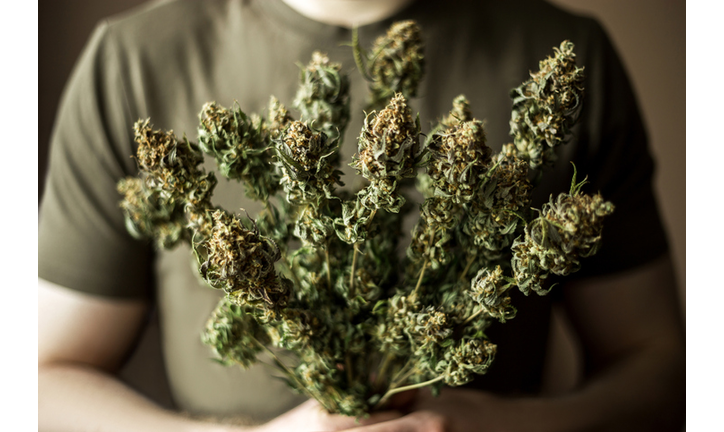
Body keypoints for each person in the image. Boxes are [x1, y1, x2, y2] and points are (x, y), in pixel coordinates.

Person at [38, 0, 685, 430]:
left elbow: (658, 368)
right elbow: (39, 382)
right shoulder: (133, 61)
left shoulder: (564, 51)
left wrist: (496, 425)